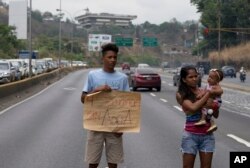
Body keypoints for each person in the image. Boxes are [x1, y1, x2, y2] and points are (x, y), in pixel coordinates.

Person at [81, 43, 130, 168]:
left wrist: (122, 128)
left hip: (114, 126)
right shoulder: (93, 75)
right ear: (103, 58)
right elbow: (83, 99)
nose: (112, 60)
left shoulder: (123, 78)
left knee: (113, 163)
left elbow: (127, 105)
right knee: (93, 162)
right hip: (95, 124)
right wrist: (97, 89)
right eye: (109, 57)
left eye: (114, 57)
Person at [176, 65, 219, 168]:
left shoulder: (202, 91)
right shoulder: (180, 94)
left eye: (196, 76)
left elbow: (216, 115)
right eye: (190, 77)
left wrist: (213, 106)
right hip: (190, 136)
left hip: (207, 136)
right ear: (184, 79)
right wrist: (208, 94)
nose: (194, 79)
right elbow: (193, 108)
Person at [194, 69, 224, 133]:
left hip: (216, 102)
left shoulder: (216, 86)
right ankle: (212, 124)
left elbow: (221, 91)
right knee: (208, 112)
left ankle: (203, 119)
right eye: (209, 77)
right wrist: (200, 95)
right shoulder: (207, 86)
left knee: (205, 106)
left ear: (217, 81)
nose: (209, 79)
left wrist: (213, 91)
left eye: (212, 78)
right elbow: (204, 92)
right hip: (211, 103)